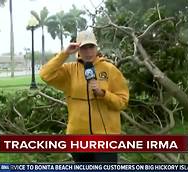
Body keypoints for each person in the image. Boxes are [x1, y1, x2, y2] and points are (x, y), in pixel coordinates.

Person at [39, 30, 129, 163]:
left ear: (96, 48)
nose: (88, 52)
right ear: (78, 50)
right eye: (84, 48)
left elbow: (122, 102)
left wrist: (103, 94)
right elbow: (45, 74)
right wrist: (65, 53)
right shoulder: (69, 70)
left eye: (91, 47)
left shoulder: (110, 69)